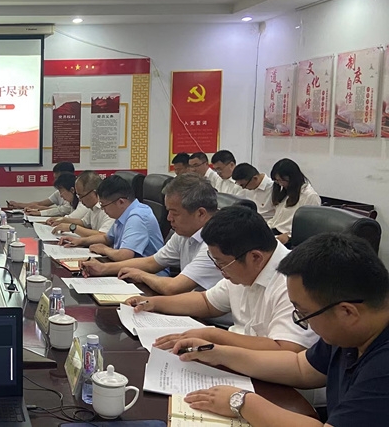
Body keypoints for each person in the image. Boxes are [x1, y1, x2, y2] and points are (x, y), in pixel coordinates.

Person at [171, 233, 389, 427]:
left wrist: (241, 401)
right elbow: (300, 367)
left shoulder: (382, 364)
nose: (302, 321)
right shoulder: (353, 332)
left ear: (347, 312)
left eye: (304, 314)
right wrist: (218, 353)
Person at [125, 206, 317, 352]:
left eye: (222, 263)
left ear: (255, 257)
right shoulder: (245, 269)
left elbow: (287, 349)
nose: (219, 270)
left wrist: (213, 336)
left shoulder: (293, 282)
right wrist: (154, 303)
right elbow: (206, 302)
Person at [81, 173, 222, 295]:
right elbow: (152, 262)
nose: (169, 218)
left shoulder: (215, 244)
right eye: (168, 212)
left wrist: (141, 275)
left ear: (200, 213)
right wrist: (103, 268)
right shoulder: (184, 233)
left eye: (174, 213)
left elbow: (173, 287)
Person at [60, 175, 164, 264]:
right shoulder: (123, 213)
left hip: (149, 275)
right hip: (128, 269)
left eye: (104, 205)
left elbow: (124, 255)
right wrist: (80, 241)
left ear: (120, 202)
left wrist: (104, 249)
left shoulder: (137, 217)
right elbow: (107, 238)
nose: (102, 209)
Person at [268, 158, 321, 245]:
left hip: (290, 239)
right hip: (276, 232)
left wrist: (289, 236)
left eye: (282, 180)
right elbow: (277, 220)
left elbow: (310, 227)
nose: (280, 184)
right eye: (277, 181)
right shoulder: (286, 191)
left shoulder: (310, 196)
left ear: (292, 178)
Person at [50, 171, 114, 237]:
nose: (80, 200)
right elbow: (84, 223)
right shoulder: (93, 207)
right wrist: (64, 220)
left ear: (94, 193)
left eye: (81, 196)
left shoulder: (109, 209)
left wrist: (72, 227)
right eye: (78, 196)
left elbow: (103, 235)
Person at [8, 162, 75, 214]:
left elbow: (64, 210)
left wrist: (39, 209)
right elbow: (40, 203)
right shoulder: (58, 193)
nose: (55, 181)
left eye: (57, 178)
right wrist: (18, 205)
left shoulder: (75, 193)